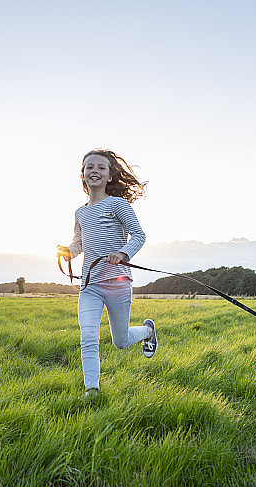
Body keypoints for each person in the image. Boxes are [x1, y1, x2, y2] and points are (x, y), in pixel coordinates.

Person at [56, 149, 158, 398]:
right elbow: (79, 243)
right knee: (88, 336)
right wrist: (68, 251)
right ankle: (92, 391)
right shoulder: (80, 213)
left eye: (101, 167)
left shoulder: (118, 204)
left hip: (118, 283)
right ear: (82, 174)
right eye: (89, 167)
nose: (94, 171)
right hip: (90, 285)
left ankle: (147, 332)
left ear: (110, 176)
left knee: (120, 341)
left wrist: (123, 253)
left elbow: (139, 235)